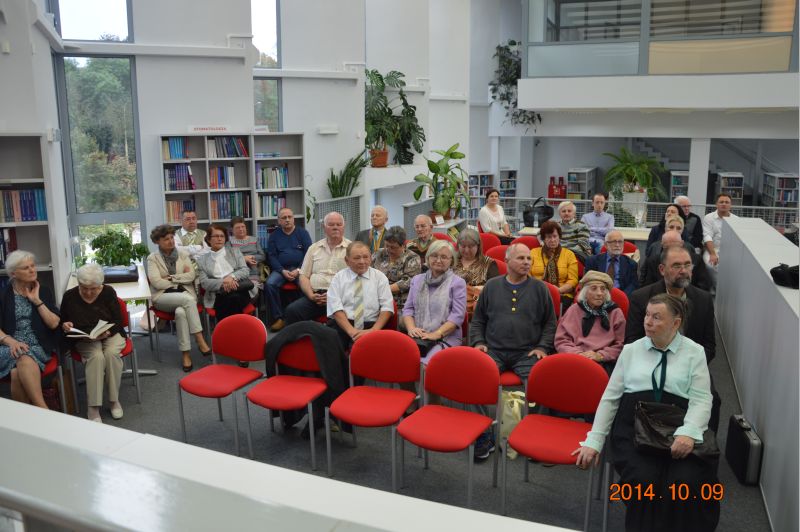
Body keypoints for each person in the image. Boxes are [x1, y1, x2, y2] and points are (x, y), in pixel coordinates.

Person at [573, 294, 719, 532]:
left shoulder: (695, 352)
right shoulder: (631, 350)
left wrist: (689, 432)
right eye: (647, 315)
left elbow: (702, 399)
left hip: (679, 425)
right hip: (634, 428)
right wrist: (594, 440)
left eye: (657, 317)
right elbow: (610, 398)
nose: (648, 322)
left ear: (676, 323)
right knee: (643, 481)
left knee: (685, 482)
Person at [470, 243, 557, 459]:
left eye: (528, 258)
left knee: (541, 385)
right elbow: (478, 320)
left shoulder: (540, 289)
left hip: (527, 352)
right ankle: (484, 434)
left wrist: (542, 347)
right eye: (521, 258)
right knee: (474, 380)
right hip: (493, 350)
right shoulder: (491, 286)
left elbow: (550, 323)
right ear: (507, 261)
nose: (526, 262)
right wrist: (478, 342)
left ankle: (532, 435)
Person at [60, 264, 127, 422]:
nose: (89, 292)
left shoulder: (108, 292)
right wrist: (65, 325)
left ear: (100, 285)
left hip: (109, 333)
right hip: (84, 338)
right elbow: (62, 320)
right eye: (84, 288)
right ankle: (93, 407)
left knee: (111, 354)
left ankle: (114, 400)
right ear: (78, 283)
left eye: (93, 289)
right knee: (96, 356)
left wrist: (107, 332)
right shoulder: (69, 296)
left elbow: (118, 320)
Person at [146, 224, 211, 372]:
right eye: (166, 239)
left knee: (181, 312)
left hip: (183, 293)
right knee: (188, 300)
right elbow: (156, 282)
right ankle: (200, 339)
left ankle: (186, 354)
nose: (170, 241)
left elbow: (191, 276)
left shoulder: (182, 254)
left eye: (171, 238)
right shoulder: (152, 258)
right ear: (157, 241)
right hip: (162, 297)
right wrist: (180, 279)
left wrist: (171, 278)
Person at [0, 251, 60, 409]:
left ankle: (31, 417)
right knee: (22, 357)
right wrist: (12, 342)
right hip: (7, 346)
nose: (32, 270)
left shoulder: (44, 291)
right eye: (26, 268)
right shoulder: (3, 295)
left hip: (37, 345)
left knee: (17, 372)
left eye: (33, 266)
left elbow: (54, 324)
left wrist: (37, 301)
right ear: (13, 273)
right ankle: (43, 410)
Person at [402, 240, 467, 363]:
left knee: (425, 363)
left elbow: (457, 316)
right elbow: (408, 309)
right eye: (434, 255)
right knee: (401, 361)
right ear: (428, 258)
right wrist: (411, 328)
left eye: (444, 257)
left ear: (451, 261)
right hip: (418, 336)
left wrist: (437, 334)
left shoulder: (457, 283)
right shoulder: (417, 280)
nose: (438, 260)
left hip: (446, 337)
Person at [326, 241, 394, 351]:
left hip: (371, 325)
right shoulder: (339, 278)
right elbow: (335, 308)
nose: (362, 261)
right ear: (347, 260)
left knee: (367, 353)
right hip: (344, 324)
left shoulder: (380, 277)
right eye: (357, 258)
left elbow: (387, 308)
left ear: (371, 258)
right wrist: (352, 332)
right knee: (330, 350)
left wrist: (373, 330)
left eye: (366, 257)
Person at [285, 212, 350, 324]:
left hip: (341, 299)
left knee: (338, 323)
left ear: (344, 227)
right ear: (324, 227)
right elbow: (304, 276)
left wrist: (334, 297)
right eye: (331, 224)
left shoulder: (351, 249)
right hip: (316, 296)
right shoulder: (314, 248)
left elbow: (356, 279)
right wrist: (311, 295)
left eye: (339, 224)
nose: (335, 227)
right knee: (292, 311)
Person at [555, 271, 625, 374]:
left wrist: (600, 355)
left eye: (603, 289)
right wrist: (578, 354)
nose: (599, 293)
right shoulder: (574, 310)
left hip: (605, 362)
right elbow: (562, 340)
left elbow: (620, 344)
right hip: (575, 358)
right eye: (594, 288)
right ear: (585, 292)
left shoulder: (615, 312)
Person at [196, 224, 257, 322]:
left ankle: (224, 328)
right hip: (217, 294)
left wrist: (231, 277)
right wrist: (223, 282)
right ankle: (238, 328)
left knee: (233, 298)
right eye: (216, 236)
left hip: (240, 290)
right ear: (208, 239)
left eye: (222, 236)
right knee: (232, 299)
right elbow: (204, 283)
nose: (219, 239)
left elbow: (245, 270)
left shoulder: (235, 252)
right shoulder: (202, 260)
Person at [264, 207, 312, 332]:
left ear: (293, 218)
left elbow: (309, 254)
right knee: (270, 284)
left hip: (300, 269)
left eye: (289, 217)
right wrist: (282, 271)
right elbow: (272, 256)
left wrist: (299, 269)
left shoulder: (303, 233)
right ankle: (279, 318)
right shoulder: (274, 236)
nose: (287, 220)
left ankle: (303, 318)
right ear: (279, 221)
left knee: (306, 285)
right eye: (284, 218)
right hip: (281, 270)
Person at [371, 225, 422, 315]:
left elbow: (408, 282)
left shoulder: (412, 258)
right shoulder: (379, 253)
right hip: (376, 299)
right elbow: (369, 272)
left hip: (400, 303)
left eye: (393, 247)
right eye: (387, 245)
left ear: (403, 246)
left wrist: (383, 289)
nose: (389, 250)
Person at [530, 220, 579, 311]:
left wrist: (558, 291)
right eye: (549, 237)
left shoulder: (569, 254)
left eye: (555, 236)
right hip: (537, 292)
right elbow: (527, 275)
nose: (552, 240)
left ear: (559, 237)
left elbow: (573, 280)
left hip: (562, 293)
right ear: (543, 239)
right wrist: (539, 289)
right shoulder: (533, 253)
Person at [639, 230, 711, 291]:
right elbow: (648, 287)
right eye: (668, 248)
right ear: (662, 245)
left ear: (682, 243)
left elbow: (703, 286)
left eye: (687, 265)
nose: (673, 252)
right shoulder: (653, 261)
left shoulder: (696, 260)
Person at [452, 228, 500, 320]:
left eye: (470, 247)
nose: (466, 250)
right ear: (458, 245)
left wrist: (475, 290)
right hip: (452, 307)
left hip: (478, 310)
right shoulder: (451, 261)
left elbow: (496, 289)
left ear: (478, 246)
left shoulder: (488, 263)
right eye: (463, 246)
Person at [584, 230, 639, 296]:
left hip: (621, 295)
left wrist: (622, 296)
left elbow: (633, 284)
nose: (617, 245)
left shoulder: (631, 264)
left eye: (620, 242)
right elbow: (588, 282)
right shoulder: (592, 261)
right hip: (598, 294)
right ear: (606, 245)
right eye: (614, 242)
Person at [702, 193, 738, 291]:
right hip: (713, 248)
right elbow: (707, 236)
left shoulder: (736, 220)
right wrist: (712, 254)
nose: (724, 204)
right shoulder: (708, 218)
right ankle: (718, 289)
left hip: (731, 250)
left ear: (730, 205)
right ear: (716, 204)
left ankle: (729, 289)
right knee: (710, 265)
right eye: (721, 202)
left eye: (727, 202)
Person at [228, 216, 266, 288]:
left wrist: (251, 257)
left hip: (254, 272)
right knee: (239, 289)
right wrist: (244, 259)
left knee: (253, 289)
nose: (241, 229)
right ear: (232, 230)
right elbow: (228, 260)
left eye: (243, 226)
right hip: (237, 273)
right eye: (237, 227)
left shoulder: (254, 240)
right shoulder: (229, 242)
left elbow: (262, 256)